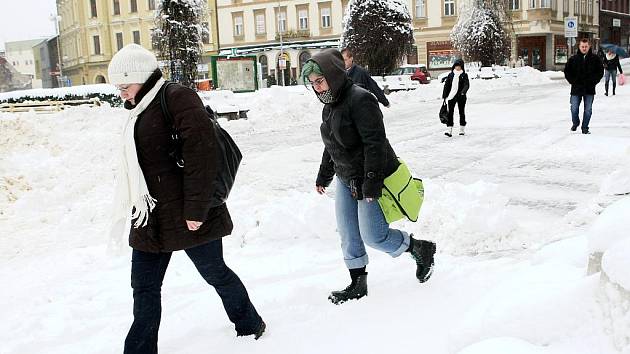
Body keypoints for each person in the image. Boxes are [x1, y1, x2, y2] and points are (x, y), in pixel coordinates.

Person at [108, 44, 265, 353]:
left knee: (215, 273)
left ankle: (250, 323)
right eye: (119, 89)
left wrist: (197, 209)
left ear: (141, 77)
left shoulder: (176, 98)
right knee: (144, 287)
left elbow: (202, 155)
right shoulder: (138, 108)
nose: (122, 94)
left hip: (189, 213)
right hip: (150, 215)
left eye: (126, 86)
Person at [301, 49, 436, 305]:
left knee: (374, 235)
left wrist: (371, 184)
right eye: (313, 85)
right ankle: (357, 284)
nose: (317, 89)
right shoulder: (329, 107)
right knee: (349, 233)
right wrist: (324, 176)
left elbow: (375, 144)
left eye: (320, 82)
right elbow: (332, 145)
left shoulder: (361, 99)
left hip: (368, 177)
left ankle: (419, 248)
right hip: (345, 177)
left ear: (333, 75)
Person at [563, 38, 604, 134]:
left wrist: (594, 81)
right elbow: (567, 71)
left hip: (589, 89)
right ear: (579, 47)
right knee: (574, 108)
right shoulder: (573, 59)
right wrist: (572, 81)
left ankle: (585, 127)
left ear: (589, 46)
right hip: (576, 88)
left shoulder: (595, 59)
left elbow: (600, 72)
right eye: (582, 46)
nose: (584, 48)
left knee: (588, 110)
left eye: (586, 46)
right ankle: (575, 122)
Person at [442, 59, 470, 137]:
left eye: (459, 66)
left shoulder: (464, 75)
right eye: (456, 66)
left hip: (461, 96)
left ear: (462, 67)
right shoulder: (451, 75)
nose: (457, 67)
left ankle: (462, 129)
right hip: (451, 96)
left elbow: (466, 84)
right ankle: (449, 130)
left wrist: (463, 92)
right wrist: (444, 95)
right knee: (450, 113)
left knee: (461, 112)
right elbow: (447, 85)